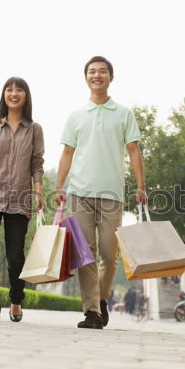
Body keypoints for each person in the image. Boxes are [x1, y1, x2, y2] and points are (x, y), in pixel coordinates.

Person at [55, 56, 146, 329]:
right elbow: (67, 152)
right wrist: (60, 185)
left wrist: (141, 186)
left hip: (112, 194)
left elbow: (133, 150)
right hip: (79, 192)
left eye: (102, 71)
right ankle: (92, 310)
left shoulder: (123, 113)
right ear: (86, 78)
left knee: (109, 254)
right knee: (86, 252)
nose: (97, 75)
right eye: (92, 72)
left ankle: (103, 298)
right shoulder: (76, 116)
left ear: (111, 77)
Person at [0, 77, 44, 322]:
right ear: (4, 94)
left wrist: (37, 190)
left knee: (15, 255)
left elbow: (36, 162)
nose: (14, 93)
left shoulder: (34, 129)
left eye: (19, 89)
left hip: (20, 198)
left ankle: (16, 300)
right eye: (9, 89)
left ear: (26, 95)